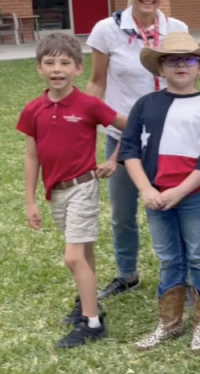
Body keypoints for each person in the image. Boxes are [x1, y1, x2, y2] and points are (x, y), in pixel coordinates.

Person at [85, 0, 189, 301]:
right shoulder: (107, 29)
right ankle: (127, 274)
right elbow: (97, 84)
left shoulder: (176, 29)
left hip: (170, 138)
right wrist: (86, 128)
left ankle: (180, 277)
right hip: (122, 135)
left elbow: (185, 81)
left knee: (175, 209)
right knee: (123, 212)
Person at [120, 32, 200, 352]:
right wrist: (146, 189)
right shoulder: (145, 105)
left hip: (193, 195)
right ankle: (169, 324)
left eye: (189, 59)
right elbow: (129, 151)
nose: (181, 65)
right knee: (168, 258)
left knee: (199, 254)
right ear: (160, 68)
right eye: (172, 60)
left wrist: (179, 192)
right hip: (155, 195)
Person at [18, 34, 127, 348]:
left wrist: (113, 159)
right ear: (39, 67)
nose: (57, 69)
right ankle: (87, 301)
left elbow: (130, 127)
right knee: (85, 253)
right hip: (57, 193)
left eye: (65, 62)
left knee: (73, 256)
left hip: (83, 187)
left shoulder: (89, 104)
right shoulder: (33, 109)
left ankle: (92, 323)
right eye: (50, 62)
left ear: (78, 68)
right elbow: (31, 156)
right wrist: (30, 202)